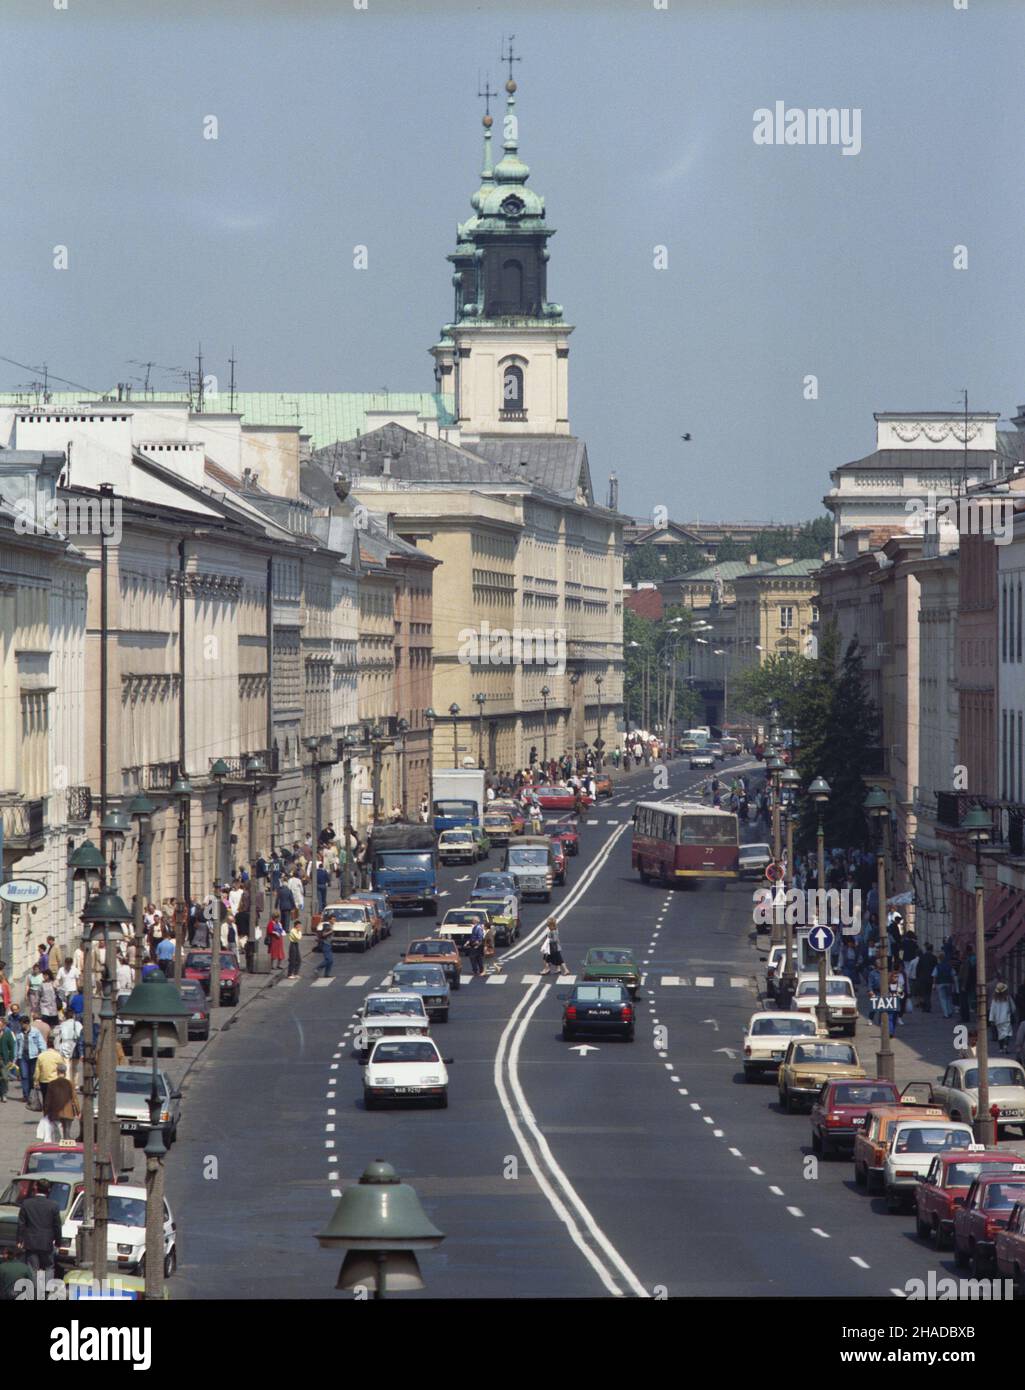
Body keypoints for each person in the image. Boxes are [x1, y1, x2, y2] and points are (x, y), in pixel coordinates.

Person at [16, 1179, 62, 1277]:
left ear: (35, 1188)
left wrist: (19, 1240)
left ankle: (33, 1289)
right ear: (49, 1190)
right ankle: (46, 1289)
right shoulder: (53, 1205)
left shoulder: (26, 1204)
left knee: (32, 1267)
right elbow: (57, 1226)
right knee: (49, 1267)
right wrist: (58, 1242)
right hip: (47, 1242)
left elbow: (21, 1224)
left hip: (31, 1242)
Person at [43, 1063, 79, 1141]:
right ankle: (66, 1146)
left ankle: (59, 1148)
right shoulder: (69, 1083)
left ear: (57, 1072)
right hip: (68, 1112)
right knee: (67, 1133)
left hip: (56, 1113)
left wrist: (46, 1112)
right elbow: (74, 1098)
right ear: (65, 1072)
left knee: (58, 1136)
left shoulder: (52, 1084)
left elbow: (48, 1100)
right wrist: (77, 1111)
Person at [15, 1015, 44, 1102]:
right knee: (24, 1076)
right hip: (22, 1057)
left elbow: (41, 1043)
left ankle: (31, 1094)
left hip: (33, 1057)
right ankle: (26, 1095)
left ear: (27, 1023)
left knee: (32, 1076)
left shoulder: (35, 1032)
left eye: (22, 1024)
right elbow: (16, 1046)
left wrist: (43, 1054)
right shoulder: (19, 1033)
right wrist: (15, 1058)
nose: (21, 1026)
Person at [990, 982, 1015, 1055]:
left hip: (998, 1020)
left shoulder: (994, 1000)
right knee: (1007, 1033)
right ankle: (1005, 1046)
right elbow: (1013, 1008)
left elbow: (992, 1010)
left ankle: (1001, 1048)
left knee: (1000, 1034)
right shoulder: (1007, 998)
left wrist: (991, 1019)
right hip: (1006, 1019)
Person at [915, 943, 937, 1013]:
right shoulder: (934, 957)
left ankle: (926, 1006)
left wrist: (917, 976)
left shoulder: (922, 957)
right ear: (932, 949)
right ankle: (927, 1006)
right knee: (928, 992)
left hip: (922, 977)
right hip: (930, 977)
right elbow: (935, 968)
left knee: (924, 993)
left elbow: (918, 968)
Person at [935, 953, 955, 1019]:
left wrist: (934, 984)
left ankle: (946, 1014)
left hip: (940, 983)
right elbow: (953, 974)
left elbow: (934, 975)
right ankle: (950, 1011)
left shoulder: (937, 966)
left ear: (939, 959)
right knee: (949, 998)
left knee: (943, 999)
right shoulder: (949, 966)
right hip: (949, 983)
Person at [0, 1015, 15, 1103]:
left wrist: (11, 1058)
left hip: (4, 1059)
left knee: (5, 1078)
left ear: (3, 1025)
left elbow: (11, 1046)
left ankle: (4, 1094)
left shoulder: (7, 1033)